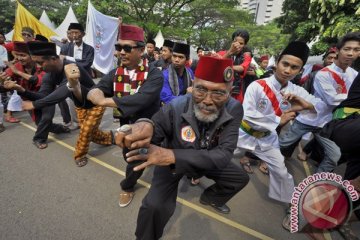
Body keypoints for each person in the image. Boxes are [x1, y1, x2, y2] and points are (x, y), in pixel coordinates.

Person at [114, 56, 249, 239]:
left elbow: (223, 155)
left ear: (229, 92)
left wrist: (172, 155)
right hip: (170, 163)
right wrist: (135, 135)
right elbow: (151, 132)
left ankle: (210, 198)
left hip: (195, 158)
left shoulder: (234, 109)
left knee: (239, 178)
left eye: (218, 93)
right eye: (201, 90)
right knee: (154, 206)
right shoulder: (175, 106)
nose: (208, 100)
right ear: (193, 85)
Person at [67, 24, 163, 207]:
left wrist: (104, 101)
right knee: (134, 160)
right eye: (118, 47)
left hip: (152, 124)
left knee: (161, 159)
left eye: (127, 48)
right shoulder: (114, 74)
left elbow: (142, 99)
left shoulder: (154, 74)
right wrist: (75, 85)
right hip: (128, 127)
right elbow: (92, 95)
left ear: (142, 50)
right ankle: (128, 186)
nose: (122, 52)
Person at [236, 41, 326, 231]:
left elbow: (320, 105)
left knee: (282, 172)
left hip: (266, 139)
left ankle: (292, 208)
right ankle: (193, 170)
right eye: (285, 64)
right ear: (277, 62)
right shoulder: (258, 86)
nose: (288, 70)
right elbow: (248, 114)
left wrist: (304, 104)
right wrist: (279, 119)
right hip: (242, 133)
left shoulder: (296, 90)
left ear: (300, 70)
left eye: (294, 67)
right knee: (214, 155)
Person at [279, 32, 360, 170]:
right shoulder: (324, 74)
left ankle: (317, 183)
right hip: (309, 117)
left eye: (356, 50)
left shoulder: (355, 74)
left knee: (334, 156)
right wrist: (353, 99)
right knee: (284, 143)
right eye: (347, 49)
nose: (351, 53)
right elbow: (332, 99)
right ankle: (267, 159)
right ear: (339, 50)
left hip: (328, 123)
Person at [223, 29, 252, 103]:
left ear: (244, 45)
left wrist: (227, 67)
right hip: (221, 91)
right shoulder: (223, 53)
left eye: (241, 43)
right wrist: (229, 53)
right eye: (235, 42)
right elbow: (218, 64)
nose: (237, 45)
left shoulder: (246, 57)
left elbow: (242, 68)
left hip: (236, 94)